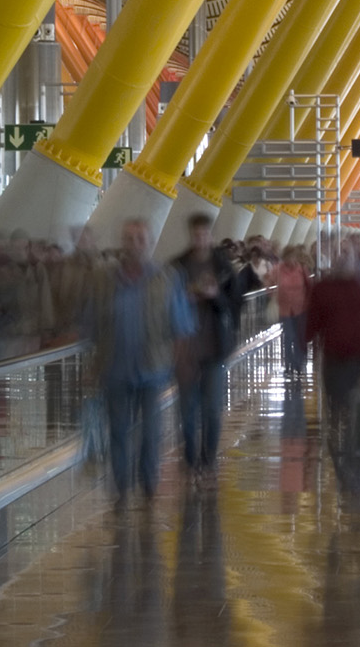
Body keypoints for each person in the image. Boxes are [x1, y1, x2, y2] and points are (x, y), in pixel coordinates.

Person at [84, 219, 190, 506]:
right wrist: (93, 367)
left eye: (140, 239)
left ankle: (148, 483)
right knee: (117, 430)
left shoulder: (166, 279)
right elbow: (94, 326)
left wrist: (177, 365)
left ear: (150, 242)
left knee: (151, 431)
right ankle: (120, 488)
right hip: (114, 369)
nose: (134, 245)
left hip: (152, 370)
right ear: (122, 243)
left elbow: (179, 325)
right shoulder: (104, 281)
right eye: (129, 239)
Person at [171, 214, 240, 489]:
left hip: (214, 350)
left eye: (204, 235)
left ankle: (208, 460)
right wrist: (184, 296)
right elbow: (167, 304)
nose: (200, 239)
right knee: (187, 411)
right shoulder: (177, 268)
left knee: (212, 410)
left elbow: (235, 306)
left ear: (210, 236)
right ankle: (190, 461)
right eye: (196, 234)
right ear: (191, 235)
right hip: (186, 351)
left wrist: (215, 297)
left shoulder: (223, 267)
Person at [304, 255, 360, 466]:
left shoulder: (337, 287)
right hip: (352, 354)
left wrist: (305, 340)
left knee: (343, 399)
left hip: (346, 354)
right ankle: (349, 437)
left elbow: (313, 322)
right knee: (350, 397)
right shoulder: (350, 286)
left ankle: (344, 436)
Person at [273, 245, 312, 376]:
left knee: (300, 336)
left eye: (293, 256)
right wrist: (273, 295)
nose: (292, 259)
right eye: (289, 257)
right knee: (288, 336)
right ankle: (289, 364)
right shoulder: (278, 270)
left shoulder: (301, 269)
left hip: (301, 308)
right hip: (285, 309)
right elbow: (268, 281)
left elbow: (309, 285)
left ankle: (299, 362)